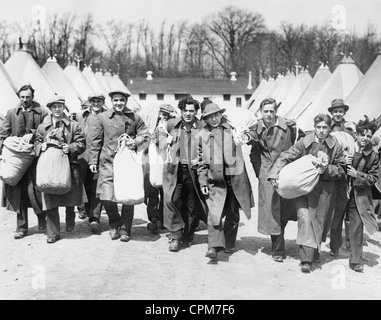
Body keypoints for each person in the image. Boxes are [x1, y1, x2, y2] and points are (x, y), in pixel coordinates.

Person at [268, 114, 346, 273]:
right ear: (314, 127)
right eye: (319, 127)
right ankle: (306, 259)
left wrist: (327, 170)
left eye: (325, 128)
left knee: (320, 222)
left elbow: (342, 169)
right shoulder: (304, 142)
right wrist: (274, 173)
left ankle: (314, 252)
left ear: (329, 128)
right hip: (302, 189)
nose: (322, 131)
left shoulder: (335, 146)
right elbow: (286, 156)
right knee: (306, 218)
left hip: (324, 192)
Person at [89, 90, 150, 242]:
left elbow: (146, 134)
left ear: (126, 101)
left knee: (127, 196)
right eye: (116, 100)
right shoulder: (102, 117)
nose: (119, 103)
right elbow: (95, 141)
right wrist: (92, 161)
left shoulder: (134, 117)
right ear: (111, 101)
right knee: (107, 196)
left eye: (121, 100)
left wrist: (135, 141)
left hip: (126, 161)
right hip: (107, 162)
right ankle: (114, 222)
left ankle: (125, 229)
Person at [248, 98, 304, 262]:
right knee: (273, 212)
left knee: (286, 208)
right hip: (267, 173)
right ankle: (278, 249)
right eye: (266, 111)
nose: (269, 114)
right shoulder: (257, 127)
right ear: (261, 112)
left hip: (285, 170)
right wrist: (260, 172)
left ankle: (301, 247)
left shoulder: (288, 126)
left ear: (276, 111)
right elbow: (253, 153)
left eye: (272, 111)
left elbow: (300, 140)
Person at [196, 103, 254, 260]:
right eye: (210, 117)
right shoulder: (202, 135)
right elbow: (200, 163)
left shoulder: (233, 128)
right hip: (215, 179)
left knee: (233, 212)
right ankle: (213, 247)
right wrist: (203, 183)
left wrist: (244, 135)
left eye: (216, 115)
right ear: (205, 119)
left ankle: (229, 243)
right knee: (214, 213)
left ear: (221, 115)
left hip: (235, 177)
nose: (214, 119)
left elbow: (250, 136)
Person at [34, 96, 87, 244]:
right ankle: (53, 233)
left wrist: (69, 148)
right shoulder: (42, 127)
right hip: (50, 167)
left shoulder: (74, 126)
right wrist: (41, 147)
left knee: (69, 194)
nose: (57, 109)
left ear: (64, 108)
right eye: (54, 107)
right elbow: (36, 142)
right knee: (50, 198)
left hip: (69, 166)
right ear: (50, 109)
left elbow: (82, 143)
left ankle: (70, 214)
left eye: (60, 106)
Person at [0, 85, 48, 239]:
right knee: (18, 193)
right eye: (22, 97)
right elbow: (3, 134)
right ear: (19, 97)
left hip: (35, 158)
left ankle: (42, 220)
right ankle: (21, 227)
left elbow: (46, 131)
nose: (25, 100)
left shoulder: (42, 112)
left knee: (36, 191)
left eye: (28, 97)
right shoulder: (11, 113)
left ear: (32, 96)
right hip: (16, 160)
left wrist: (33, 135)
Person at [163, 94, 207, 252]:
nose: (188, 113)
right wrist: (164, 142)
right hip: (175, 171)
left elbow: (211, 148)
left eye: (191, 110)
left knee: (192, 205)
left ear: (196, 112)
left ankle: (187, 235)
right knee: (172, 200)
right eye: (185, 110)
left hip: (194, 173)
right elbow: (157, 136)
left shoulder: (202, 127)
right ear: (181, 111)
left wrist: (201, 160)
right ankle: (176, 234)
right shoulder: (172, 125)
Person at [344, 117, 379, 272]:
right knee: (331, 221)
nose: (365, 138)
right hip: (341, 192)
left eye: (368, 136)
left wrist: (356, 174)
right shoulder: (346, 147)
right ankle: (323, 251)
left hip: (358, 195)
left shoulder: (373, 156)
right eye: (362, 135)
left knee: (357, 226)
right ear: (356, 134)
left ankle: (356, 260)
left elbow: (373, 179)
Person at [77, 92, 107, 233]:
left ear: (103, 102)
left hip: (100, 157)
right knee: (83, 185)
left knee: (96, 187)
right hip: (83, 156)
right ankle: (84, 211)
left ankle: (94, 218)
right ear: (89, 103)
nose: (96, 104)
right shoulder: (82, 116)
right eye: (93, 101)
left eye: (99, 101)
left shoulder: (107, 116)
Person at [144, 103, 176, 234]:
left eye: (167, 115)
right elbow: (159, 143)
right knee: (153, 192)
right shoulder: (154, 129)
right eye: (162, 114)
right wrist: (166, 140)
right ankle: (154, 218)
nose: (164, 117)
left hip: (166, 162)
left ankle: (163, 219)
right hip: (154, 163)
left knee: (165, 192)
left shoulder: (171, 128)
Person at [328, 99, 355, 256]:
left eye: (340, 111)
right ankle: (335, 246)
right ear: (331, 113)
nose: (338, 114)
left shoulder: (351, 128)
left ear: (344, 112)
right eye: (335, 111)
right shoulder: (328, 127)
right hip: (335, 174)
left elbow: (358, 147)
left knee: (350, 211)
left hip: (350, 174)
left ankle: (351, 243)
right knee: (336, 210)